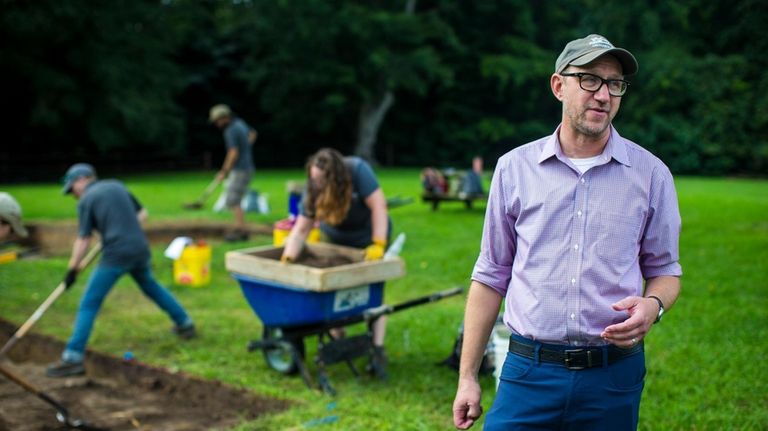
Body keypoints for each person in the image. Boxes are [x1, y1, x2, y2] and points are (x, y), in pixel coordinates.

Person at [452, 34, 682, 430]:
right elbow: (490, 275)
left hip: (613, 375)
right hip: (528, 371)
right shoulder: (514, 169)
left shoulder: (651, 175)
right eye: (590, 79)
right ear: (559, 85)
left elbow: (665, 269)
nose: (604, 95)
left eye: (615, 84)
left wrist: (653, 305)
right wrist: (467, 377)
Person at [46, 163, 196, 377]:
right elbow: (143, 214)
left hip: (117, 254)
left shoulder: (87, 200)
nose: (74, 195)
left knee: (90, 302)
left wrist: (72, 269)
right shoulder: (116, 186)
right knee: (150, 286)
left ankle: (72, 357)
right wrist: (122, 227)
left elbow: (83, 239)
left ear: (82, 179)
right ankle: (185, 323)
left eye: (72, 190)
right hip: (140, 248)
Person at [280, 148, 392, 378]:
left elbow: (379, 206)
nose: (317, 184)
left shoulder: (358, 170)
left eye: (321, 180)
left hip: (368, 237)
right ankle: (338, 337)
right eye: (314, 179)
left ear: (337, 177)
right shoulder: (313, 189)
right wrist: (288, 257)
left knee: (373, 292)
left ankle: (378, 349)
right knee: (337, 288)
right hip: (338, 241)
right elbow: (301, 229)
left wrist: (378, 244)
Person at [209, 104, 258, 242]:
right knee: (235, 199)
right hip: (246, 167)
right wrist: (246, 147)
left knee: (233, 199)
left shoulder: (230, 130)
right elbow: (253, 133)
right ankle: (239, 228)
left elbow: (233, 152)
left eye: (218, 120)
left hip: (240, 170)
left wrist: (224, 171)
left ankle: (241, 231)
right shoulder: (240, 124)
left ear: (225, 118)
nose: (217, 124)